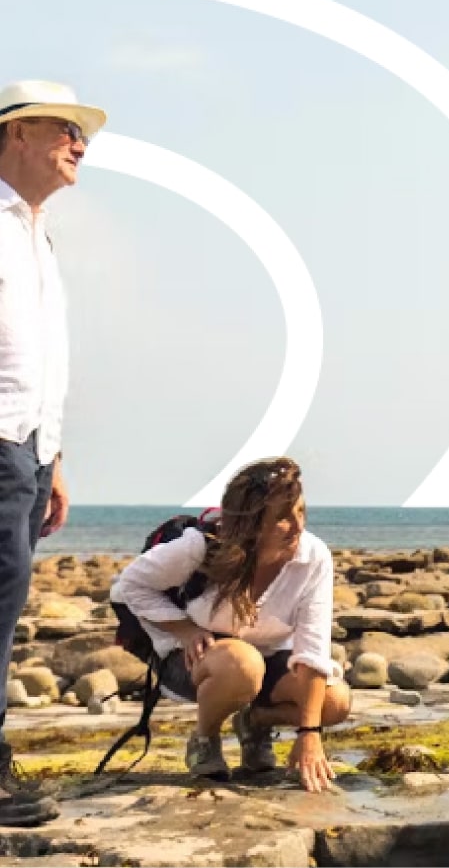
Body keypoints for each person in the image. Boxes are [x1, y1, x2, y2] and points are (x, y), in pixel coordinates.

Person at [110, 457, 350, 792]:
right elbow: (127, 585)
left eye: (300, 512)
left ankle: (254, 723)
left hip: (267, 660)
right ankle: (205, 739)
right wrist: (185, 629)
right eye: (281, 517)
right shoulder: (200, 548)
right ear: (252, 524)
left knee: (335, 701)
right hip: (197, 661)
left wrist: (309, 735)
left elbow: (313, 649)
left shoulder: (313, 556)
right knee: (242, 663)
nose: (297, 526)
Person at [0, 80, 107, 827]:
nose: (80, 144)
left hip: (30, 451)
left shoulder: (38, 234)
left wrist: (55, 456)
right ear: (15, 135)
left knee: (5, 607)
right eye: (66, 129)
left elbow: (42, 357)